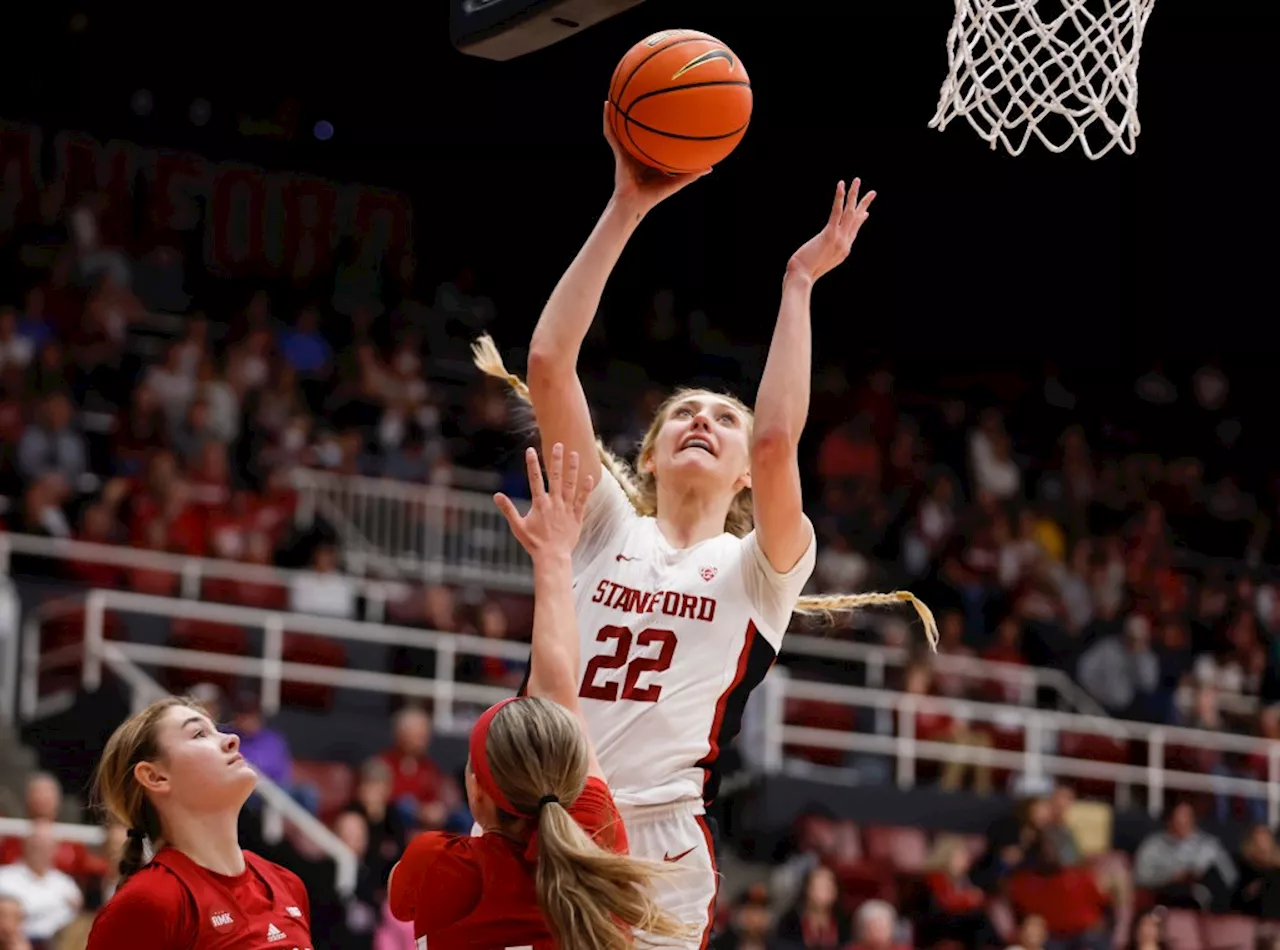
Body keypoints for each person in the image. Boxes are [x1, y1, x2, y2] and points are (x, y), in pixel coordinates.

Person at [471, 102, 938, 944]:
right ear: (646, 456)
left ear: (744, 475)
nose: (701, 422)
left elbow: (775, 435)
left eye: (718, 419)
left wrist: (799, 284)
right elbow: (547, 364)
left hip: (656, 841)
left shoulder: (763, 567)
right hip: (529, 812)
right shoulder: (608, 525)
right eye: (681, 413)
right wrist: (628, 204)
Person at [389, 444, 690, 949]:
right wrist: (554, 558)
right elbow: (559, 693)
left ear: (478, 794)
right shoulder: (595, 835)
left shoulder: (438, 862)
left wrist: (551, 556)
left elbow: (401, 899)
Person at [84, 696, 314, 949]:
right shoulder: (151, 900)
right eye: (199, 734)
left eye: (217, 730)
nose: (232, 740)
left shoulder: (288, 883)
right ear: (155, 776)